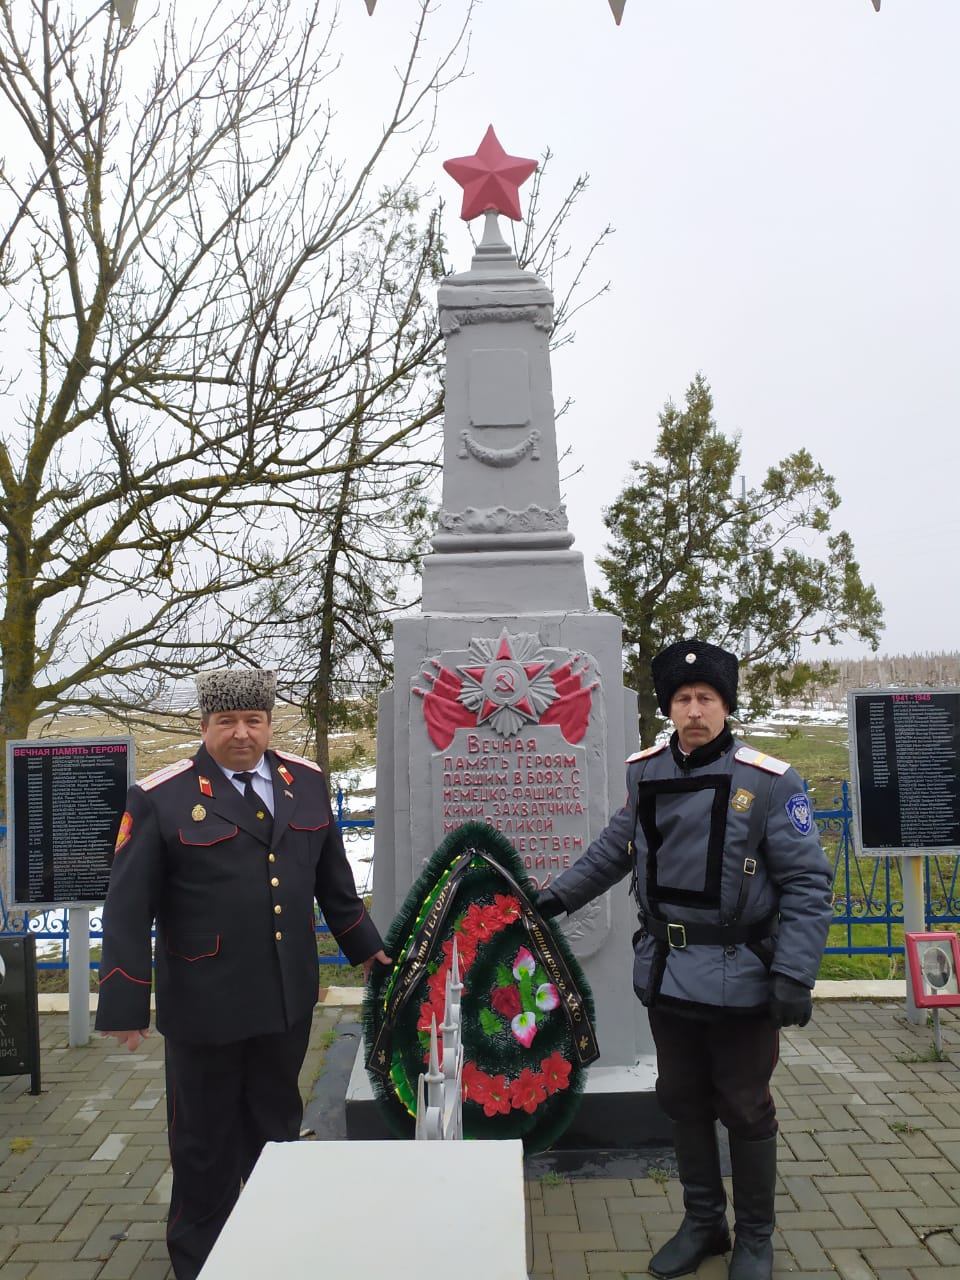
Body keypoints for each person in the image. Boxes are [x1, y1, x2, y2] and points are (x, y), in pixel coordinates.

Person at [537, 639, 833, 1280]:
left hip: (747, 974)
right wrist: (554, 898)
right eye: (682, 699)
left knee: (745, 1102)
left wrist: (795, 973)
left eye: (706, 699)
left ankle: (756, 1237)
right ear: (669, 707)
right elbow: (616, 848)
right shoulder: (645, 773)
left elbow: (809, 884)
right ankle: (705, 1223)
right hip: (668, 971)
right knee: (681, 1097)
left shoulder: (772, 782)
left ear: (725, 706)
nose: (694, 710)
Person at [95, 668, 390, 1280]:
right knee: (203, 1142)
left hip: (286, 996)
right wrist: (125, 1003)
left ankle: (270, 1242)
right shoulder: (162, 797)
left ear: (269, 723)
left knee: (276, 1127)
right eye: (226, 721)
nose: (241, 733)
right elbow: (127, 905)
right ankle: (200, 1260)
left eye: (253, 720)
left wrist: (364, 946)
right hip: (205, 1002)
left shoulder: (305, 784)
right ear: (204, 725)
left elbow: (333, 881)